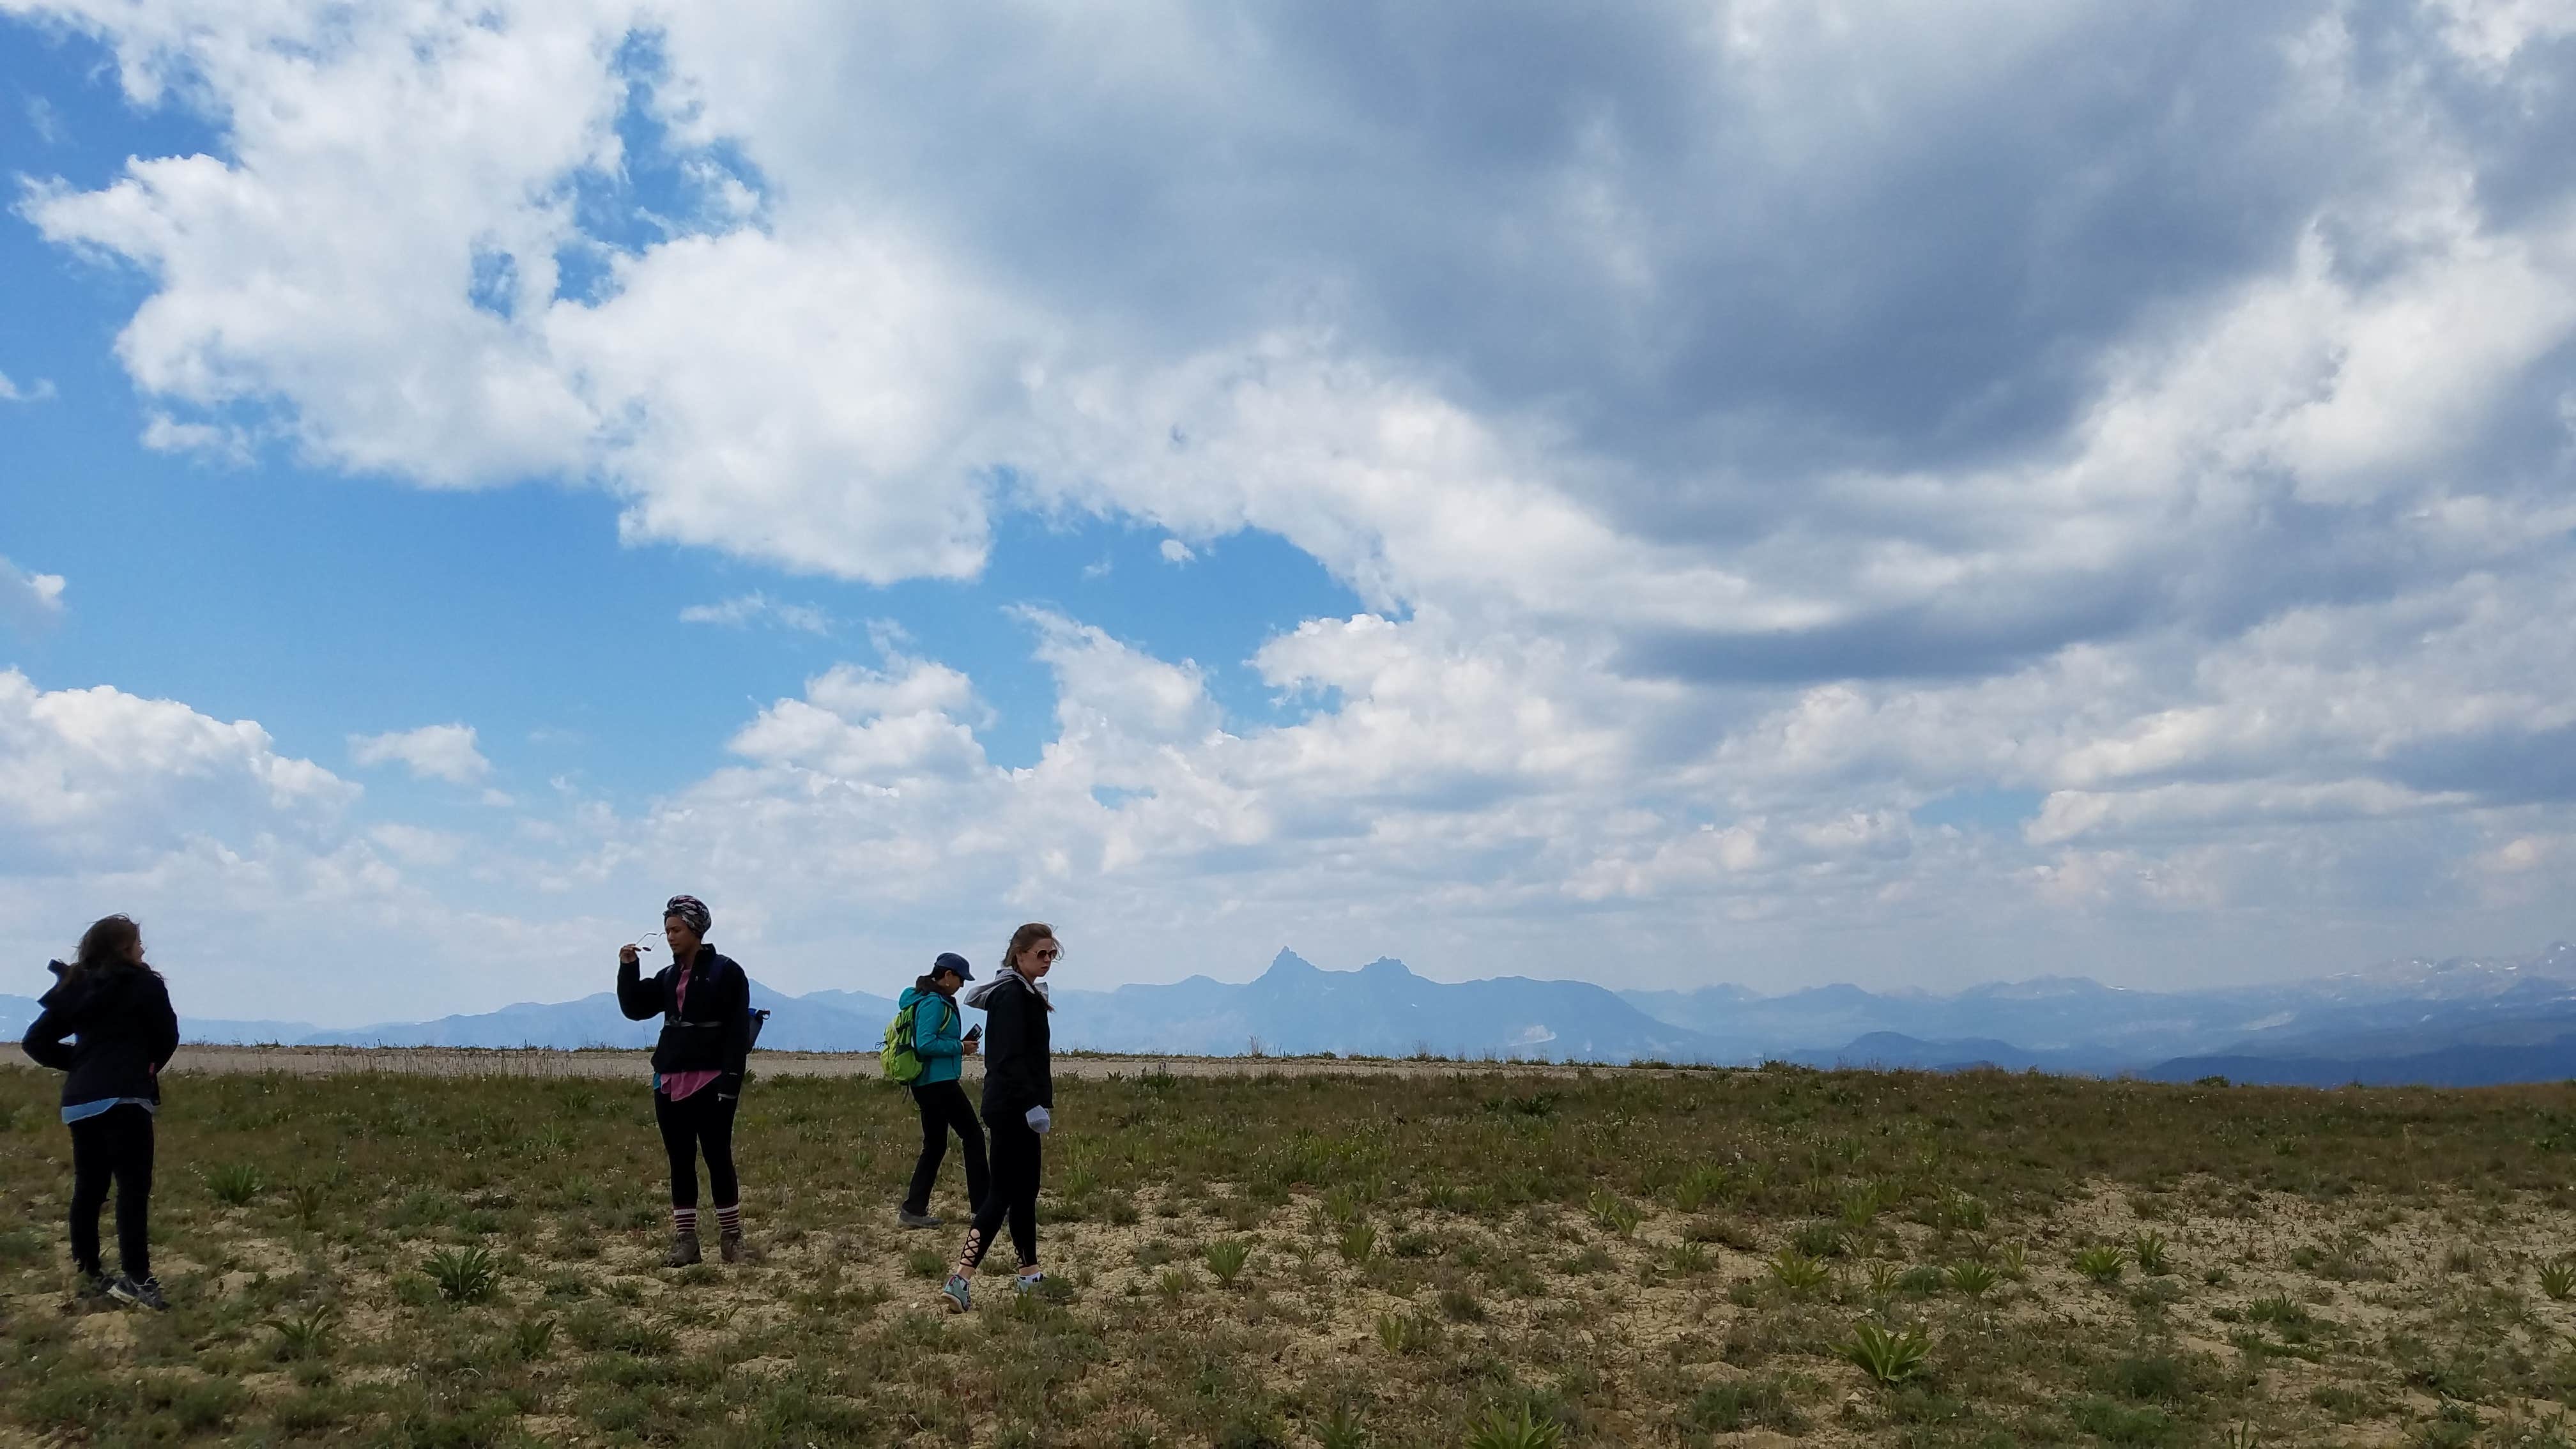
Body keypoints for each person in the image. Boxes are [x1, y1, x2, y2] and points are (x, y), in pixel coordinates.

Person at [21, 914, 180, 1311]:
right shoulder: (144, 984)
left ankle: (89, 1272)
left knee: (89, 1187)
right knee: (132, 1189)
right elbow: (167, 1037)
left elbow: (35, 1042)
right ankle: (137, 1280)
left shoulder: (77, 986)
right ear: (125, 949)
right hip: (126, 1097)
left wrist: (80, 1062)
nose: (143, 950)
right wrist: (144, 1066)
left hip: (81, 1102)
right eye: (138, 943)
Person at [616, 894, 755, 1267]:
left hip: (712, 1082)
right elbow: (635, 1008)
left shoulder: (728, 972)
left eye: (676, 930)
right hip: (668, 1083)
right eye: (667, 931)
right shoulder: (669, 976)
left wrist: (731, 1084)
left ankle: (731, 1240)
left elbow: (737, 1033)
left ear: (695, 930)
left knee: (718, 1158)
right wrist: (628, 969)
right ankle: (686, 1242)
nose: (671, 937)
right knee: (680, 1162)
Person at [941, 923, 1057, 1312]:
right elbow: (1006, 1059)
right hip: (1012, 1109)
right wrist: (1030, 1105)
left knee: (1026, 1190)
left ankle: (1029, 1273)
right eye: (1041, 954)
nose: (1047, 962)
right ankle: (961, 1278)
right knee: (1002, 1193)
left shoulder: (1026, 993)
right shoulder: (1011, 996)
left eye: (1052, 955)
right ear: (1019, 955)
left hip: (1020, 1107)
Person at [898, 953, 988, 1229]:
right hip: (938, 1083)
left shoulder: (925, 999)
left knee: (935, 1145)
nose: (961, 985)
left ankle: (913, 1209)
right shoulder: (934, 1003)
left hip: (927, 1083)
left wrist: (958, 1045)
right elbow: (925, 1044)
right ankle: (983, 1208)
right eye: (960, 979)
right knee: (973, 1136)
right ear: (947, 975)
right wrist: (960, 1047)